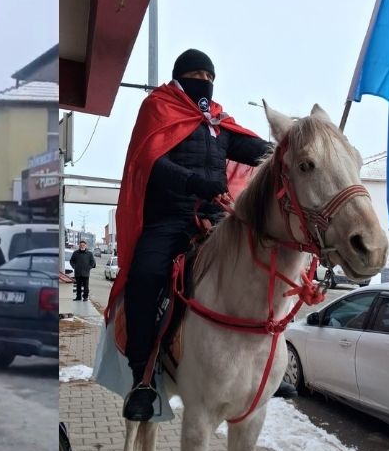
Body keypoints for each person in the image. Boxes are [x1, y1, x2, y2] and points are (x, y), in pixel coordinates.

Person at [110, 49, 272, 421]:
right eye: (198, 74)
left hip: (214, 218)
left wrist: (290, 150)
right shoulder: (158, 106)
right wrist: (193, 181)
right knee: (145, 277)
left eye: (210, 76)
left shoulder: (218, 121)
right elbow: (149, 158)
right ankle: (143, 379)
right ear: (181, 75)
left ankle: (263, 359)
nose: (205, 81)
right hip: (168, 218)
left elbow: (253, 150)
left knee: (259, 262)